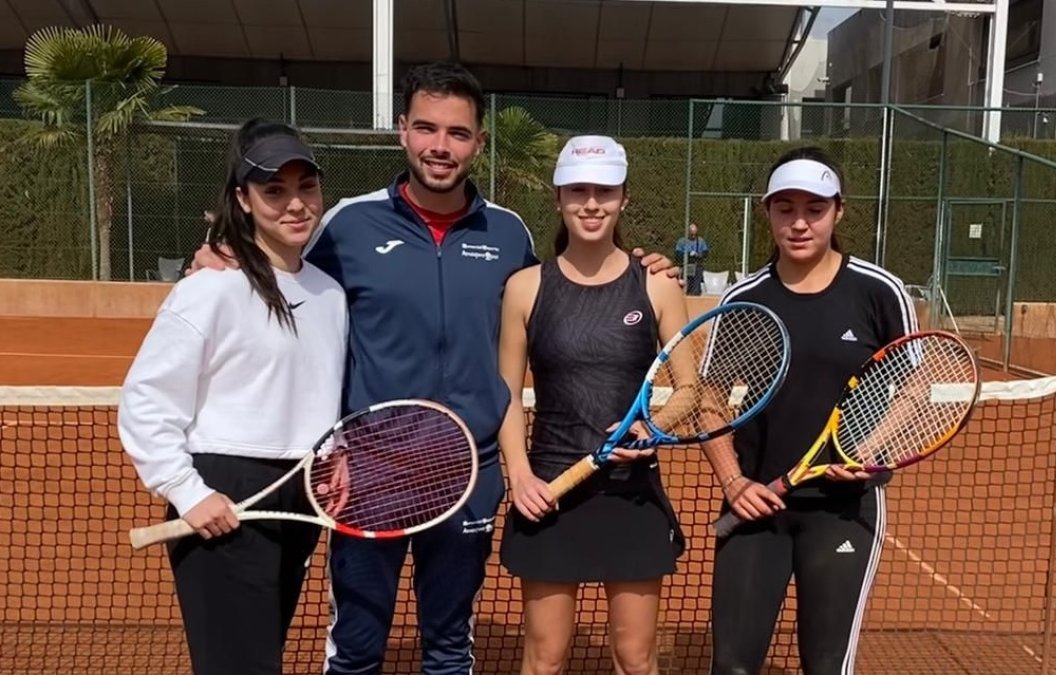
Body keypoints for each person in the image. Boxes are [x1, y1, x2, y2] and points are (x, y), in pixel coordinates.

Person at [186, 61, 679, 674]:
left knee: (450, 647)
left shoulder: (508, 233)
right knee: (358, 645)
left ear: (478, 142)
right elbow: (277, 267)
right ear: (402, 131)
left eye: (457, 132)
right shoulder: (347, 224)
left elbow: (571, 281)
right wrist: (212, 253)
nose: (439, 146)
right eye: (425, 128)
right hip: (367, 475)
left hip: (470, 473)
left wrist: (644, 265)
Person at [118, 119, 347, 675]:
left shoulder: (329, 292)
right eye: (274, 191)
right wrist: (188, 491)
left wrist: (333, 449)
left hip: (298, 494)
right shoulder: (211, 288)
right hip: (226, 492)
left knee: (259, 656)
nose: (295, 205)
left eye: (306, 188)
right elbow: (146, 401)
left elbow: (315, 387)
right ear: (243, 199)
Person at [701, 146, 918, 675]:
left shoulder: (878, 291)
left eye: (814, 209)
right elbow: (708, 400)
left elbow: (913, 386)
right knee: (731, 666)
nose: (799, 223)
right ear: (767, 211)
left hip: (843, 509)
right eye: (785, 208)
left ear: (838, 211)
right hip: (758, 506)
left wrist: (869, 451)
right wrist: (734, 483)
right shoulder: (745, 299)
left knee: (826, 665)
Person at [496, 135, 689, 675]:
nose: (591, 203)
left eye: (604, 190)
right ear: (558, 198)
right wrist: (520, 475)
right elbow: (506, 393)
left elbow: (690, 390)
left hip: (631, 496)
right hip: (551, 492)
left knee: (635, 657)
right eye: (578, 190)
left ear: (623, 198)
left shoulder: (657, 286)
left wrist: (650, 428)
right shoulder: (524, 288)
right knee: (545, 658)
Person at [674, 222, 709, 295]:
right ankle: (685, 292)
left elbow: (705, 252)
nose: (693, 236)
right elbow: (677, 254)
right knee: (686, 281)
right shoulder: (682, 241)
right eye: (691, 234)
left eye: (694, 234)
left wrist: (699, 254)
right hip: (686, 264)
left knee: (697, 274)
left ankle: (695, 293)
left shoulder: (700, 241)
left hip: (697, 264)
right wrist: (688, 254)